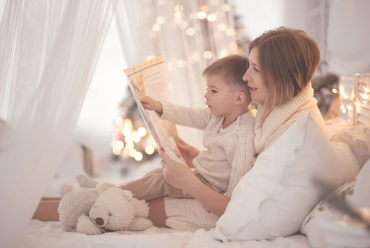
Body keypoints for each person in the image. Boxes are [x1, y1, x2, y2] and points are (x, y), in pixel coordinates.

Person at [34, 27, 327, 232]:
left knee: (123, 203)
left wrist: (188, 181)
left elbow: (236, 199)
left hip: (210, 208)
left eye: (256, 69)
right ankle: (38, 204)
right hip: (202, 189)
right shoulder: (270, 114)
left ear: (281, 76)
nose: (247, 76)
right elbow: (231, 161)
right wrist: (193, 155)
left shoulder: (289, 131)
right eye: (248, 66)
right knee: (134, 189)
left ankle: (29, 210)